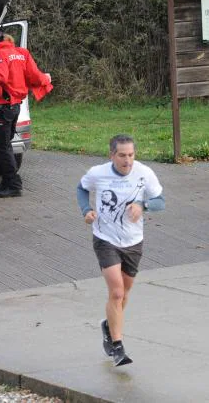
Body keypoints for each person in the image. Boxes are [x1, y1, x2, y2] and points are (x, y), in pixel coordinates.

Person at [77, 134, 164, 366]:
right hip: (105, 238)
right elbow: (81, 188)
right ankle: (117, 347)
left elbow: (160, 201)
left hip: (133, 241)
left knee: (124, 294)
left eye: (131, 155)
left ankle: (108, 324)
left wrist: (142, 205)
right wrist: (86, 209)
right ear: (112, 155)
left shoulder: (144, 173)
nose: (127, 161)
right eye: (122, 155)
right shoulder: (98, 172)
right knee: (116, 292)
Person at [0, 31, 52, 198]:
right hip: (14, 107)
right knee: (6, 145)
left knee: (2, 147)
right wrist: (46, 79)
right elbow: (34, 75)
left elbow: (0, 77)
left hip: (2, 107)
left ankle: (14, 185)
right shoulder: (21, 53)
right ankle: (6, 181)